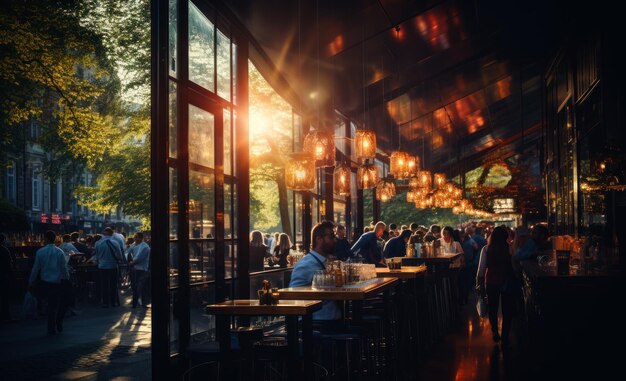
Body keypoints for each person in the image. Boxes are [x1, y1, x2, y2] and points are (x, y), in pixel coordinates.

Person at [289, 221, 341, 321]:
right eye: (331, 237)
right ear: (319, 239)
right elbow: (293, 296)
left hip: (331, 320)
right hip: (317, 323)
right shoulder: (306, 265)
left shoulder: (327, 262)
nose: (335, 240)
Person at [476, 226, 516, 346]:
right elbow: (514, 266)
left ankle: (494, 331)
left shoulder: (486, 249)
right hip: (506, 282)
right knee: (507, 310)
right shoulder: (510, 248)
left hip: (491, 281)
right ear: (505, 236)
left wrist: (479, 284)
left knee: (493, 308)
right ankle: (505, 335)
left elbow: (481, 269)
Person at [28, 230, 69, 334]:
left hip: (44, 283)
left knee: (46, 304)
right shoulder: (59, 252)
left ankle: (49, 324)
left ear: (45, 239)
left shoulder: (40, 252)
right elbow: (64, 268)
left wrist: (31, 281)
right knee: (55, 305)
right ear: (55, 239)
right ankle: (54, 324)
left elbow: (36, 268)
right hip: (57, 283)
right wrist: (67, 278)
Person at [93, 227, 123, 307]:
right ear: (111, 233)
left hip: (102, 266)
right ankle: (113, 302)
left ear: (104, 233)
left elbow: (96, 255)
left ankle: (105, 302)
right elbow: (119, 256)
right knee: (113, 284)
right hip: (113, 266)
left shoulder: (97, 243)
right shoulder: (115, 243)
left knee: (104, 284)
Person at [128, 232, 150, 308]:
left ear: (140, 238)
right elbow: (128, 252)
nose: (135, 239)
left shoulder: (145, 247)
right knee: (135, 286)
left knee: (140, 286)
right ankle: (137, 302)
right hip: (135, 268)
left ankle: (140, 302)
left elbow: (139, 258)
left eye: (136, 237)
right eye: (134, 237)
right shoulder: (134, 245)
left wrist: (132, 262)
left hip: (142, 269)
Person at [1, 234, 14, 321]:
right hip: (3, 276)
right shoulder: (5, 250)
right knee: (4, 297)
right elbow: (9, 265)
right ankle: (5, 316)